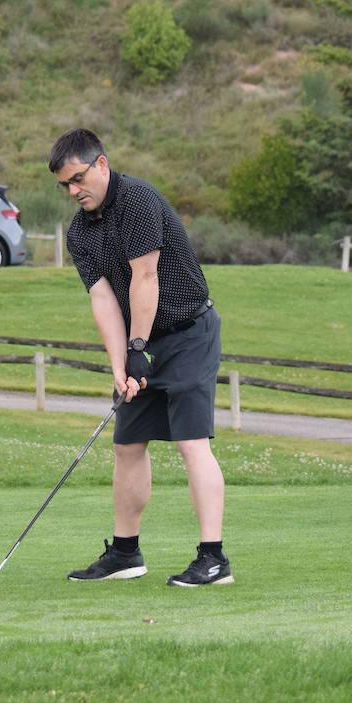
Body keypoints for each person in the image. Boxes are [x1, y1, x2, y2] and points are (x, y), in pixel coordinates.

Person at [48, 128, 232, 587]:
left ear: (102, 165)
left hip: (188, 331)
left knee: (192, 443)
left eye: (77, 179)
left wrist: (137, 349)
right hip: (140, 342)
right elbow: (103, 299)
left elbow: (145, 277)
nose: (73, 192)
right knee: (127, 446)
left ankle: (214, 559)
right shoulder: (80, 232)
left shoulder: (139, 201)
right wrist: (120, 364)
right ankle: (125, 554)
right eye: (64, 186)